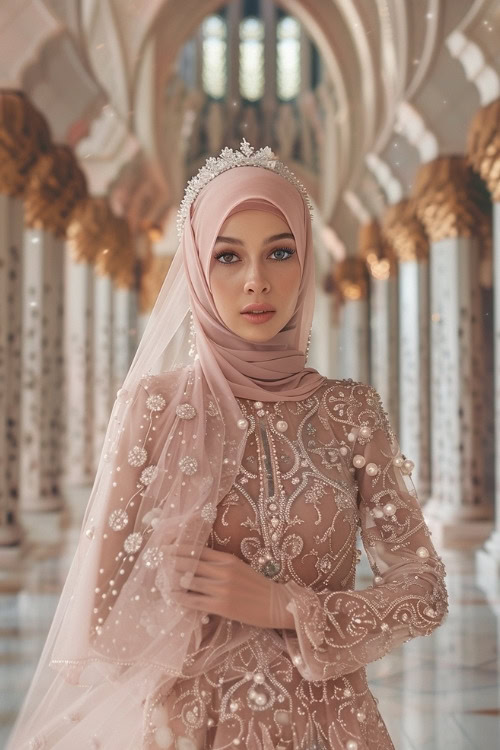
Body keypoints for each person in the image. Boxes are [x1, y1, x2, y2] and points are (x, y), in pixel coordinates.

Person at [7, 140, 448, 750]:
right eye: (228, 257)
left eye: (280, 252)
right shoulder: (157, 409)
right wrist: (172, 598)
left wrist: (285, 608)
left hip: (330, 726)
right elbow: (97, 615)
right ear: (195, 267)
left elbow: (423, 592)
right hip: (186, 727)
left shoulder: (351, 413)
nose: (256, 282)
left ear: (305, 261)